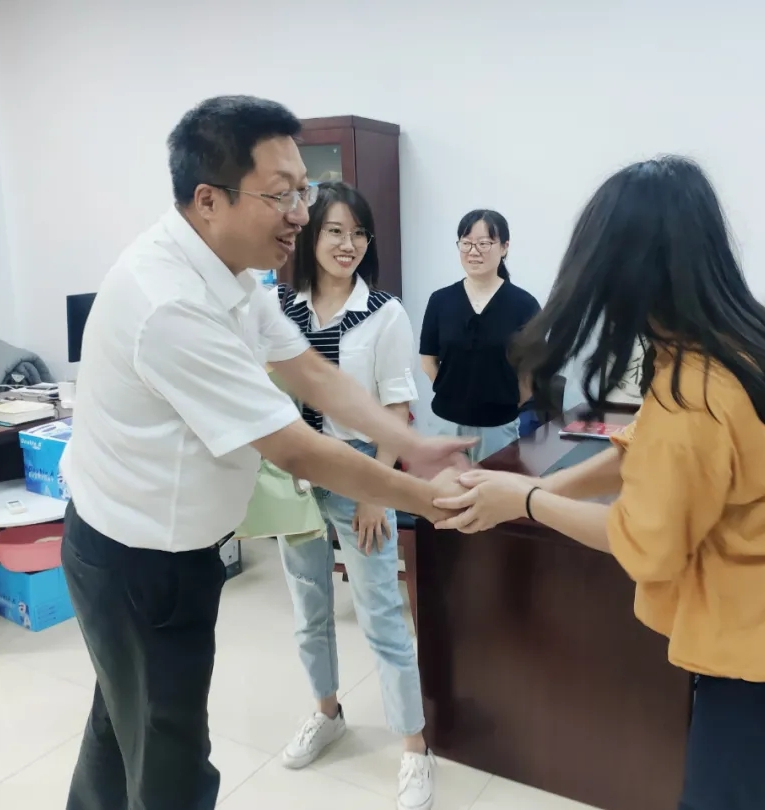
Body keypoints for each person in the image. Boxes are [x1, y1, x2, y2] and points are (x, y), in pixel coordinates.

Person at [433, 156, 765, 810]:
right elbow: (640, 450)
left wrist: (525, 500)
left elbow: (645, 543)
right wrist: (543, 491)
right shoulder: (747, 339)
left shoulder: (697, 389)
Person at [58, 95, 468, 810]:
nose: (302, 215)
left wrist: (410, 444)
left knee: (124, 729)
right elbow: (294, 446)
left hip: (169, 543)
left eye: (303, 190)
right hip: (138, 558)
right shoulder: (171, 303)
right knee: (169, 759)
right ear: (208, 199)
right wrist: (430, 500)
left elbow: (309, 370)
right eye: (282, 195)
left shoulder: (238, 277)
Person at [271, 180, 435, 809]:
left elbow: (396, 408)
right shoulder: (281, 307)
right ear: (312, 234)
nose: (349, 244)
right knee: (308, 605)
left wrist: (376, 492)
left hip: (361, 469)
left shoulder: (385, 313)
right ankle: (327, 712)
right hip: (296, 476)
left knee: (382, 613)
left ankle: (415, 746)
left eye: (359, 233)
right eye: (336, 231)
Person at [419, 210, 540, 462]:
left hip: (498, 426)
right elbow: (428, 360)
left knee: (495, 485)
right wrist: (453, 394)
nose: (473, 251)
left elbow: (532, 368)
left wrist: (509, 402)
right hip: (445, 424)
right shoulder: (440, 300)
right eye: (466, 243)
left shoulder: (524, 304)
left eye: (484, 243)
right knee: (444, 486)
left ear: (504, 247)